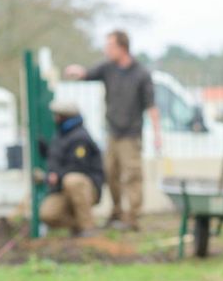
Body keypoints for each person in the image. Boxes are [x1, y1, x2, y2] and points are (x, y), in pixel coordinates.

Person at [65, 29, 162, 232]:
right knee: (111, 174)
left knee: (132, 176)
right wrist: (77, 71)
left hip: (131, 135)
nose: (106, 50)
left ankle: (132, 217)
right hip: (112, 133)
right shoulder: (108, 68)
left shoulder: (141, 74)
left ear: (122, 47)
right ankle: (116, 212)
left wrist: (157, 135)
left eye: (110, 46)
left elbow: (151, 106)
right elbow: (87, 74)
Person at [39, 100, 104, 238]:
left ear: (65, 117)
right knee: (48, 214)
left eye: (57, 115)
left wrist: (56, 176)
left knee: (72, 180)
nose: (54, 118)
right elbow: (56, 158)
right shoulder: (61, 135)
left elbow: (78, 166)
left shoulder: (80, 137)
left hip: (85, 187)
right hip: (63, 188)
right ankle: (78, 225)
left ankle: (88, 228)